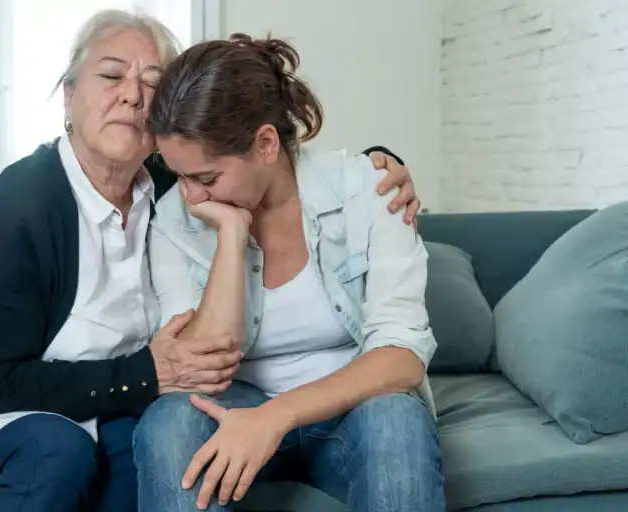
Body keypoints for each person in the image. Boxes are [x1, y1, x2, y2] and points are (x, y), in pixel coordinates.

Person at [0, 9, 422, 512]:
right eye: (111, 76)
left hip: (118, 404)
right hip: (5, 407)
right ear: (68, 95)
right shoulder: (16, 212)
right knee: (90, 446)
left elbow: (258, 158)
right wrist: (147, 373)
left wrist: (384, 167)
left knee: (136, 449)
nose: (132, 96)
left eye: (152, 83)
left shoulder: (169, 184)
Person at [135, 33, 444, 512]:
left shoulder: (368, 190)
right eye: (179, 175)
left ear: (265, 144)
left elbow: (402, 356)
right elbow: (198, 371)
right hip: (234, 407)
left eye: (207, 177)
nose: (191, 196)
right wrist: (232, 235)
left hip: (350, 411)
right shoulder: (176, 219)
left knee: (396, 421)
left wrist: (275, 417)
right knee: (169, 423)